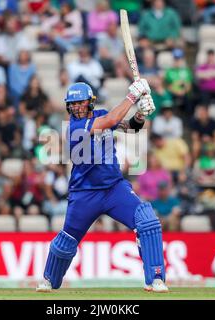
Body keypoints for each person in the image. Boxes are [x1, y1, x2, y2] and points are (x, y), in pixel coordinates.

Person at [36, 79, 169, 293]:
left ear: (90, 102)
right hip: (84, 193)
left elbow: (130, 128)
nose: (77, 107)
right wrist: (132, 97)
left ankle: (155, 279)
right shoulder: (75, 127)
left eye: (81, 103)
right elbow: (112, 119)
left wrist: (140, 115)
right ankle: (49, 279)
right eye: (73, 104)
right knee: (66, 241)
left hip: (114, 188)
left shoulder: (101, 115)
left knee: (147, 221)